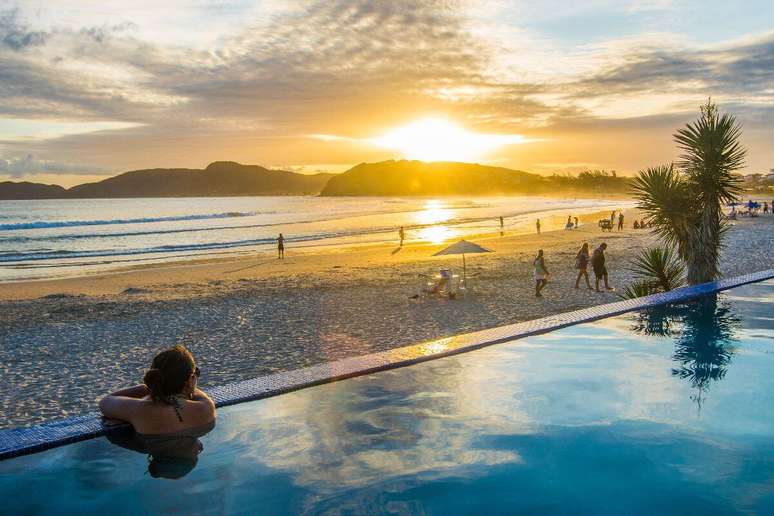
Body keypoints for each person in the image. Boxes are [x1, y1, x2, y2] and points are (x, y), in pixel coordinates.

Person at [99, 344, 216, 437]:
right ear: (191, 380)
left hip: (157, 456)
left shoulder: (140, 410)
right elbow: (195, 391)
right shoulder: (206, 408)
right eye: (196, 373)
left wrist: (150, 388)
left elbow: (105, 402)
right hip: (190, 456)